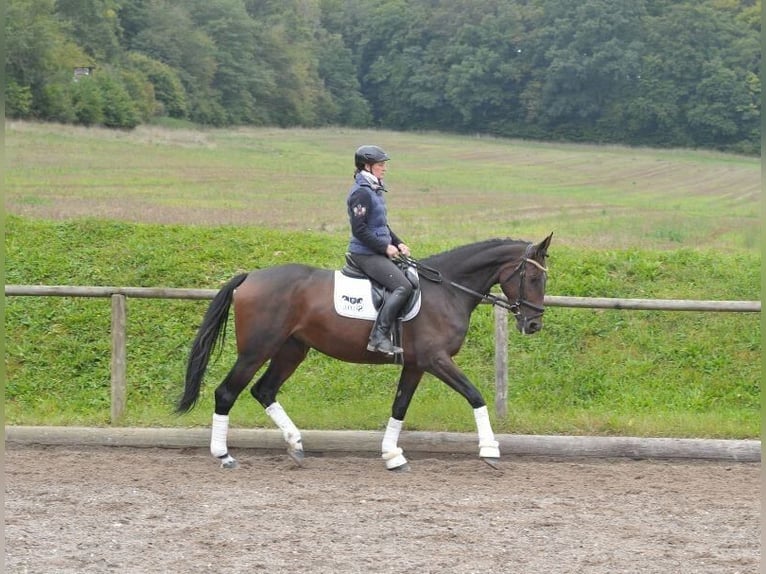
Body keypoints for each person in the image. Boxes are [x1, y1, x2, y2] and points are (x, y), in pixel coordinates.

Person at [346, 145, 413, 355]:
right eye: (381, 165)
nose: (384, 168)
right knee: (403, 286)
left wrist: (398, 242)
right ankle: (378, 336)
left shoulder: (374, 189)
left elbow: (381, 225)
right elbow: (359, 230)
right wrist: (385, 247)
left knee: (411, 276)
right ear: (367, 166)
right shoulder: (361, 193)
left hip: (376, 251)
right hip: (364, 254)